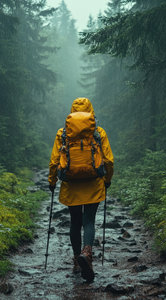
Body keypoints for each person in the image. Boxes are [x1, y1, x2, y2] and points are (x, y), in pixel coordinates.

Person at [48, 97, 114, 282]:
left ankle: (77, 259)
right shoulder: (98, 132)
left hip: (71, 185)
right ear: (90, 111)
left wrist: (52, 181)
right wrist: (107, 179)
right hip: (93, 184)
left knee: (75, 222)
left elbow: (54, 161)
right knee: (89, 221)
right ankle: (87, 252)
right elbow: (108, 160)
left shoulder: (63, 133)